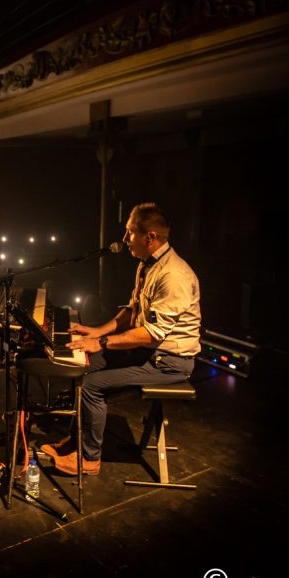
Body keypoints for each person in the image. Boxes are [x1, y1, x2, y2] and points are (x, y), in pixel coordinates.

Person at [48, 203, 201, 476]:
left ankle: (89, 459)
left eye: (130, 232)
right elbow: (132, 312)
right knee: (84, 366)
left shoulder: (174, 275)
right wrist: (98, 331)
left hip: (169, 361)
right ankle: (76, 441)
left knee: (92, 385)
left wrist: (102, 343)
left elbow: (153, 333)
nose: (124, 239)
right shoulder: (148, 265)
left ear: (149, 237)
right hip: (148, 352)